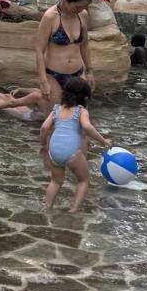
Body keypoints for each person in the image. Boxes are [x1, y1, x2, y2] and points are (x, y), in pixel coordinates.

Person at [39, 77, 112, 213]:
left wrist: (43, 145)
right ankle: (73, 210)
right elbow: (87, 127)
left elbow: (44, 128)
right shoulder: (81, 111)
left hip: (54, 151)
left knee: (55, 182)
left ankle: (46, 208)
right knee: (83, 180)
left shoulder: (56, 109)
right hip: (71, 152)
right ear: (85, 97)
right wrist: (103, 141)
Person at [34, 0, 97, 103]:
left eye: (84, 7)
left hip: (78, 74)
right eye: (77, 7)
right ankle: (8, 103)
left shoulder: (82, 15)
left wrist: (89, 71)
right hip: (54, 75)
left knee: (78, 115)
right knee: (55, 117)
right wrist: (43, 82)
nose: (80, 10)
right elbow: (39, 50)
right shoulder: (50, 17)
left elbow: (84, 45)